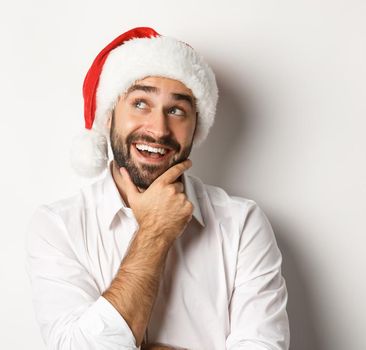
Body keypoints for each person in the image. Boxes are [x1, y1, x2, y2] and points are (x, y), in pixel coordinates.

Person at [25, 27, 290, 350]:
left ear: (196, 126)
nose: (159, 129)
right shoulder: (58, 226)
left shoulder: (241, 223)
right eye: (140, 103)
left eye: (177, 110)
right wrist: (155, 232)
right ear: (108, 116)